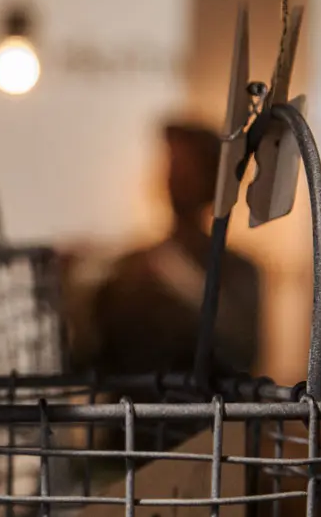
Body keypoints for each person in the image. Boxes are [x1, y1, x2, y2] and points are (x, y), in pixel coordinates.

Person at [66, 122, 262, 379]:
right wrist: (74, 294)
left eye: (186, 169)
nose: (174, 179)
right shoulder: (129, 267)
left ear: (212, 183)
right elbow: (90, 356)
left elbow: (242, 354)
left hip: (197, 404)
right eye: (172, 167)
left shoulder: (236, 271)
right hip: (129, 404)